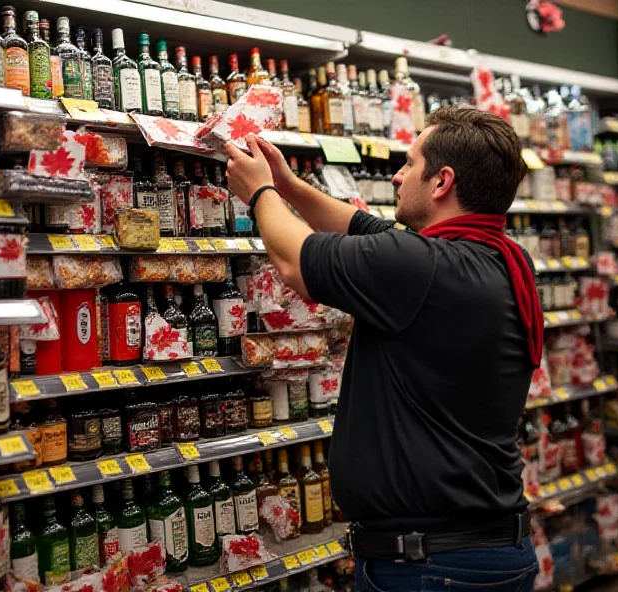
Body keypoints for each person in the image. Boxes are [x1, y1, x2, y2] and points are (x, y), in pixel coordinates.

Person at [224, 105, 541, 591]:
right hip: (482, 549)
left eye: (410, 163)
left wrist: (259, 192)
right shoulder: (497, 255)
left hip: (431, 567)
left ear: (442, 182)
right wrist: (289, 186)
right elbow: (360, 226)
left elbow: (296, 261)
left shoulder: (425, 267)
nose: (396, 176)